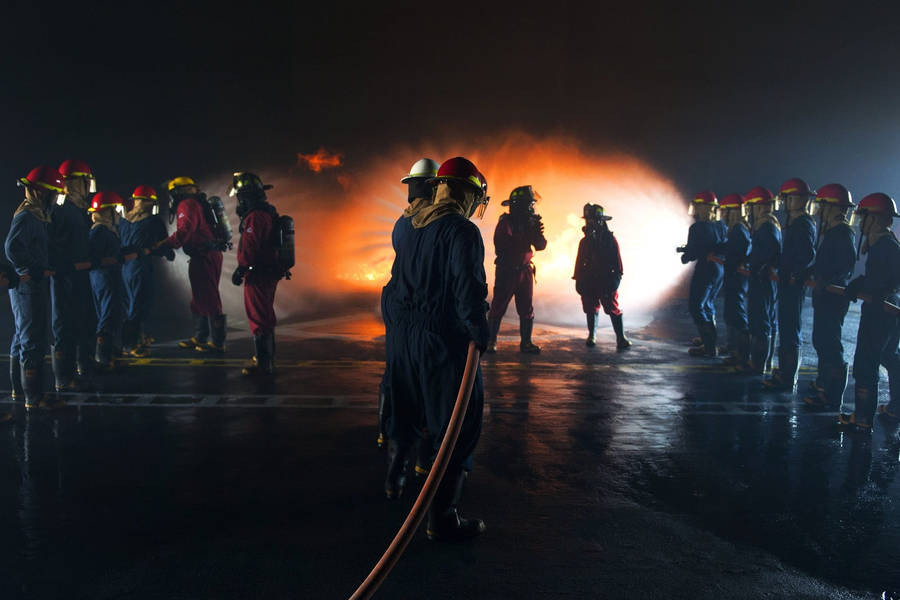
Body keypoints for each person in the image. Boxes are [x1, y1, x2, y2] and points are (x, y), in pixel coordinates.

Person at [382, 156, 490, 541]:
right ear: (467, 192)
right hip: (442, 344)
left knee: (408, 413)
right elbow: (468, 293)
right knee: (458, 428)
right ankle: (442, 521)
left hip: (402, 338)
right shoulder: (462, 232)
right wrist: (481, 332)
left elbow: (393, 286)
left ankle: (395, 482)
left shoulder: (406, 224)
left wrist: (397, 332)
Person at [378, 158, 439, 450]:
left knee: (395, 374)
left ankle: (388, 435)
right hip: (420, 313)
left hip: (396, 304)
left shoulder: (402, 222)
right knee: (423, 380)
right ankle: (420, 451)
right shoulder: (436, 225)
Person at [838, 193, 900, 433]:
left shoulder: (884, 245)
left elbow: (884, 279)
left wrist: (866, 286)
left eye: (863, 217)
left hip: (880, 310)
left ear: (874, 219)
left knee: (866, 362)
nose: (860, 223)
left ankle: (863, 417)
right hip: (885, 306)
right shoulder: (885, 244)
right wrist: (863, 283)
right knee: (887, 356)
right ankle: (894, 407)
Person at [5, 167, 65, 410]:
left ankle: (20, 392)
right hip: (27, 286)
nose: (56, 200)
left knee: (22, 336)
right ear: (43, 192)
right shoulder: (27, 217)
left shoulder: (36, 215)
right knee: (32, 338)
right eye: (54, 194)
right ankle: (34, 397)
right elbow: (12, 248)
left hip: (31, 284)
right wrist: (31, 269)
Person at [156, 177, 226, 353]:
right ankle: (200, 337)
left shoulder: (187, 204)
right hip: (202, 254)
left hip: (205, 255)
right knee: (199, 297)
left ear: (178, 191)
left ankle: (217, 342)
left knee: (209, 297)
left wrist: (165, 244)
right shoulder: (193, 203)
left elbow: (185, 230)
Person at [802, 184, 856, 408]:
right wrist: (812, 270)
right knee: (822, 341)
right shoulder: (833, 231)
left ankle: (831, 395)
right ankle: (824, 385)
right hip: (826, 295)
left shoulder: (842, 232)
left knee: (830, 344)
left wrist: (828, 280)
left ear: (833, 208)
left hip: (833, 297)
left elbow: (845, 264)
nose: (818, 210)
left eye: (822, 205)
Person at [765, 178, 817, 390]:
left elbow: (806, 254)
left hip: (793, 284)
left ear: (796, 199)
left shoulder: (803, 224)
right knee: (786, 326)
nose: (785, 202)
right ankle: (785, 373)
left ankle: (788, 377)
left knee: (790, 328)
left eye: (787, 198)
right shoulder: (795, 223)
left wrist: (794, 273)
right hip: (788, 281)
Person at [229, 172, 282, 376]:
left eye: (240, 195)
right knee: (265, 315)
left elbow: (250, 247)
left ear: (246, 195)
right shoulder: (266, 213)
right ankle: (267, 359)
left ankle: (263, 364)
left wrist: (241, 268)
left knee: (259, 317)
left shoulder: (256, 216)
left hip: (258, 274)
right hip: (267, 271)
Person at [50, 159, 95, 390]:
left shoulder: (78, 208)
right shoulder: (61, 207)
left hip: (80, 274)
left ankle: (78, 368)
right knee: (64, 326)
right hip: (66, 275)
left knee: (80, 321)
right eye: (86, 181)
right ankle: (63, 378)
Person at [486, 185, 547, 354]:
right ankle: (491, 342)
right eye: (529, 205)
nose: (532, 208)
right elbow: (503, 247)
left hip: (525, 271)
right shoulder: (506, 223)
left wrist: (537, 234)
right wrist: (526, 235)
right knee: (498, 306)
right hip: (508, 271)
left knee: (526, 308)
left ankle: (526, 343)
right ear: (520, 205)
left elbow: (541, 246)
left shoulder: (529, 223)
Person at [119, 186, 172, 356]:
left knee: (130, 304)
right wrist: (167, 252)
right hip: (141, 267)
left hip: (124, 268)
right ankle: (131, 345)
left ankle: (136, 338)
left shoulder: (123, 220)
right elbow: (164, 244)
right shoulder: (154, 221)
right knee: (140, 304)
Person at [572, 203, 631, 349]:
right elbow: (579, 262)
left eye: (593, 220)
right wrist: (578, 280)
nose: (590, 223)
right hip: (589, 280)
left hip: (606, 280)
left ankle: (621, 337)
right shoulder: (584, 242)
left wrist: (614, 281)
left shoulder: (610, 240)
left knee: (612, 307)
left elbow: (617, 263)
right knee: (590, 307)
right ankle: (592, 335)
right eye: (588, 220)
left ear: (601, 221)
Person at [679, 191, 726, 357]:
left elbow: (692, 251)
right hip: (718, 270)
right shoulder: (721, 225)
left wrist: (685, 256)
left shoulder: (697, 227)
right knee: (708, 304)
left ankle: (709, 346)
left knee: (696, 306)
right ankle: (709, 342)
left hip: (705, 269)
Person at [742, 186, 782, 375]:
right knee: (764, 319)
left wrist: (761, 267)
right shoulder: (769, 224)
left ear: (757, 207)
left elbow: (770, 252)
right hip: (763, 277)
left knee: (760, 319)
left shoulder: (766, 226)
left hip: (762, 279)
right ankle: (762, 363)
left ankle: (758, 364)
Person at [87, 192, 125, 370]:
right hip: (103, 276)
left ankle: (109, 350)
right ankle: (103, 356)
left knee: (112, 310)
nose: (118, 214)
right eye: (115, 210)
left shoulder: (107, 229)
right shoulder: (99, 230)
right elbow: (92, 257)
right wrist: (107, 260)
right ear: (106, 212)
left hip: (108, 275)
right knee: (107, 312)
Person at [718, 193, 751, 366]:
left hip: (737, 278)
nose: (722, 216)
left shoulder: (739, 230)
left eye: (725, 212)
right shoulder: (737, 229)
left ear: (734, 212)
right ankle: (733, 348)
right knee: (730, 312)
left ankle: (742, 353)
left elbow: (739, 253)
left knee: (736, 314)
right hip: (734, 277)